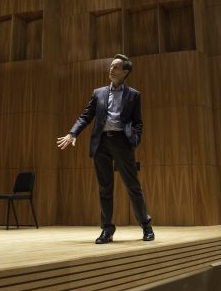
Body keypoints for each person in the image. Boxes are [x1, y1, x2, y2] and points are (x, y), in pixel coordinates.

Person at [57, 54, 154, 244]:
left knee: (133, 186)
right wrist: (72, 133)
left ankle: (146, 225)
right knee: (105, 188)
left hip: (122, 142)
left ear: (125, 72)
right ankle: (107, 230)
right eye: (111, 66)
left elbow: (138, 123)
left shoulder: (134, 95)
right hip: (101, 143)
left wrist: (134, 140)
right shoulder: (98, 93)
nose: (111, 69)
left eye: (116, 67)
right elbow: (86, 116)